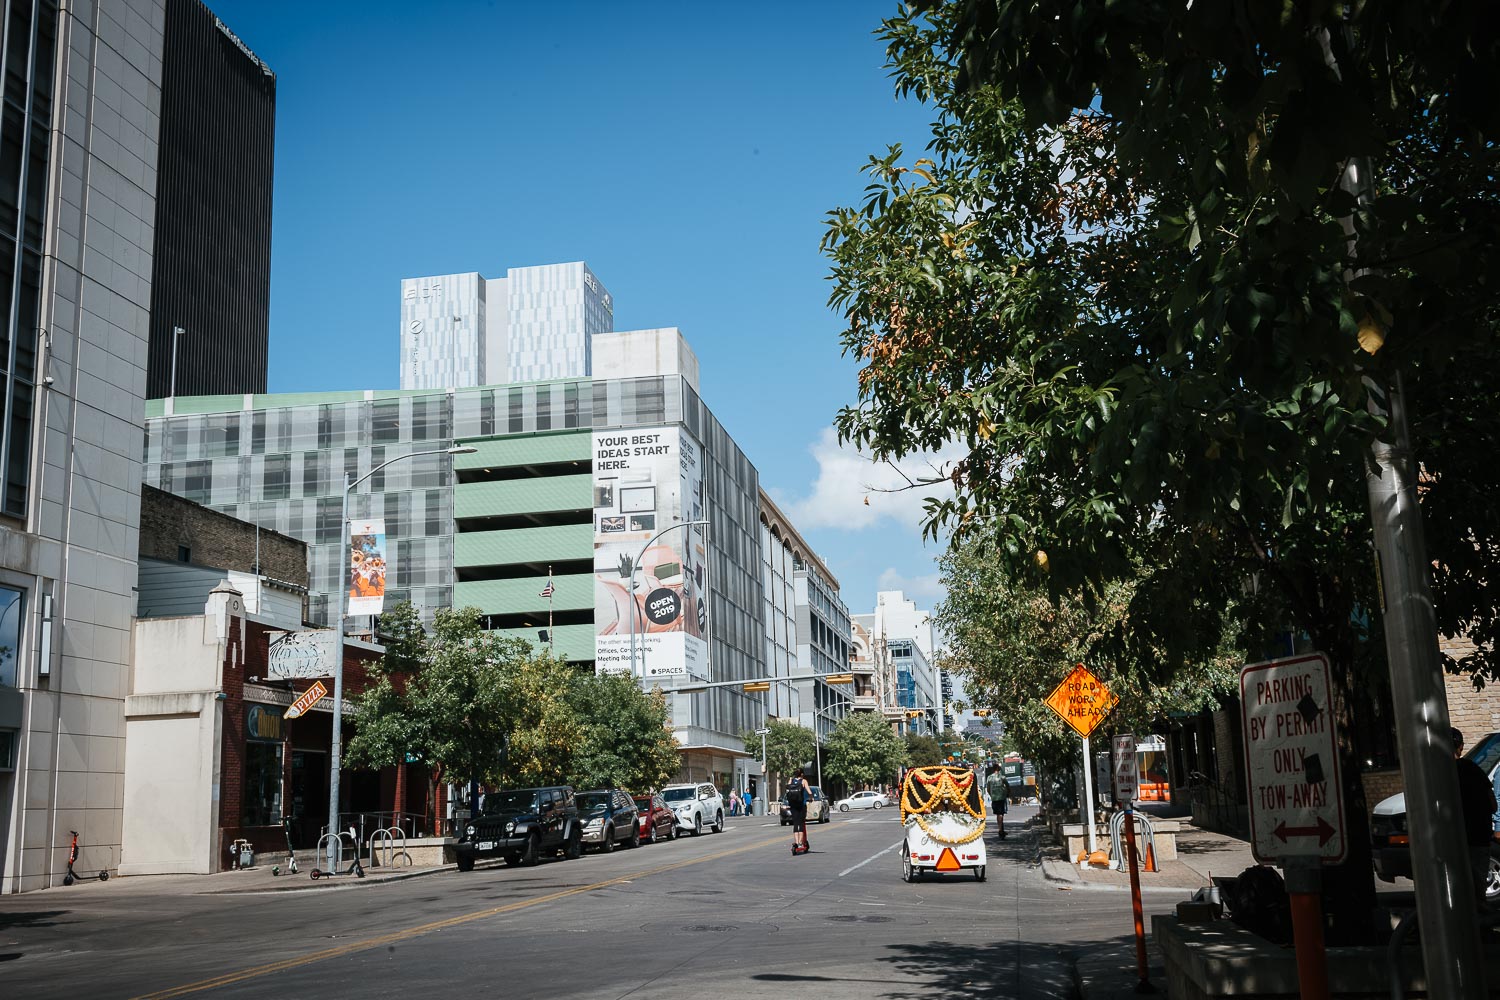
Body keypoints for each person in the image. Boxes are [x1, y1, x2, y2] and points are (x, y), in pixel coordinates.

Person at [1453, 728, 1497, 908]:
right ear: (1461, 747)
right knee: (1477, 891)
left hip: (1452, 841)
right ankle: (1481, 929)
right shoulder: (1473, 770)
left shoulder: (1435, 775)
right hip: (1478, 838)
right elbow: (1492, 803)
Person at [786, 767, 812, 855]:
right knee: (801, 823)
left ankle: (796, 842)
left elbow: (788, 791)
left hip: (793, 805)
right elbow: (809, 791)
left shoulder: (791, 780)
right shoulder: (804, 781)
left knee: (795, 823)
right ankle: (801, 843)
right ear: (801, 774)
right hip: (801, 805)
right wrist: (811, 798)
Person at [985, 767, 1009, 840]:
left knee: (998, 814)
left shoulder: (989, 778)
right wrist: (1008, 793)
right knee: (1001, 814)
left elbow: (988, 789)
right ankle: (1001, 829)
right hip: (1001, 797)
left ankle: (1000, 829)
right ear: (999, 770)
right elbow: (1008, 786)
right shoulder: (1002, 777)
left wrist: (992, 795)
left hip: (994, 798)